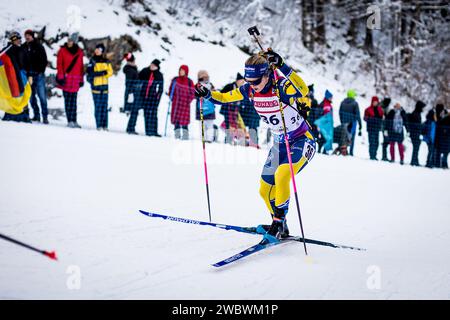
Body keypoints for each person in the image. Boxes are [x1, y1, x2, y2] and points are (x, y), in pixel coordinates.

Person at [196, 49, 314, 244]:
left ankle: (277, 222)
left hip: (302, 139)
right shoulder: (249, 89)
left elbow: (303, 90)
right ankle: (280, 225)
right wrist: (207, 94)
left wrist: (282, 64)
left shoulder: (281, 86)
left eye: (256, 81)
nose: (253, 86)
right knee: (264, 188)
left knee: (282, 175)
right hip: (279, 143)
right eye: (248, 81)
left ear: (267, 75)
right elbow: (225, 97)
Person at [1, 31, 32, 123]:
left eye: (19, 39)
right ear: (12, 40)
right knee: (13, 94)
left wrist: (29, 75)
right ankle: (11, 114)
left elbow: (28, 62)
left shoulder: (22, 49)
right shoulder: (7, 50)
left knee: (25, 94)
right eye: (16, 39)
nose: (18, 41)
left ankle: (24, 115)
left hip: (22, 75)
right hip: (12, 76)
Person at [56, 32, 84, 128]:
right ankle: (69, 121)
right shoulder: (62, 51)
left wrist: (81, 79)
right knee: (67, 101)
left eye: (71, 40)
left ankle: (74, 120)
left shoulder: (79, 52)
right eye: (68, 40)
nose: (69, 42)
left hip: (75, 80)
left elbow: (81, 67)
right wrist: (60, 77)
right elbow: (59, 65)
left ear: (75, 41)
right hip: (66, 79)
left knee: (74, 101)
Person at [23, 29, 48, 124]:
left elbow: (44, 60)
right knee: (31, 96)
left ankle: (45, 116)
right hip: (28, 75)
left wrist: (40, 71)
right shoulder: (24, 47)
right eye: (26, 36)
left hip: (39, 75)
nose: (27, 37)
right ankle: (36, 115)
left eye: (29, 35)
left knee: (42, 96)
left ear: (32, 36)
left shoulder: (39, 46)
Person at [86, 43, 113, 130]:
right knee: (98, 106)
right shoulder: (92, 60)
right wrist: (101, 73)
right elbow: (90, 73)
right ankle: (99, 125)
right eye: (96, 49)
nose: (97, 51)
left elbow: (110, 72)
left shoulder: (106, 61)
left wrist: (103, 73)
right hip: (96, 86)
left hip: (104, 86)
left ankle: (105, 125)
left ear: (102, 51)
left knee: (104, 106)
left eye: (99, 50)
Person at [135, 59, 164, 136]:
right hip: (144, 96)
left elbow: (161, 88)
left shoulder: (159, 75)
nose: (152, 66)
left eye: (154, 65)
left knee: (154, 115)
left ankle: (154, 131)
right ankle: (148, 131)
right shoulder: (145, 71)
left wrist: (158, 99)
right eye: (151, 64)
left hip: (154, 98)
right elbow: (138, 78)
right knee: (146, 113)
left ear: (157, 67)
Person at [169, 65, 195, 140]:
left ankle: (185, 136)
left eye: (183, 70)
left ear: (186, 71)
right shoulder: (175, 79)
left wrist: (188, 100)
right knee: (176, 119)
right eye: (180, 70)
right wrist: (172, 98)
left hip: (185, 104)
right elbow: (171, 89)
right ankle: (177, 135)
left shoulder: (190, 81)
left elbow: (192, 93)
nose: (181, 72)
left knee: (184, 121)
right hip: (176, 103)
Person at [220, 73, 247, 144]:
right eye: (242, 81)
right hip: (227, 109)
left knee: (235, 123)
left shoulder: (241, 89)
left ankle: (233, 138)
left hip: (235, 109)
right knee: (228, 123)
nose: (243, 83)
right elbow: (221, 94)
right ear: (237, 81)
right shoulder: (229, 86)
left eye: (243, 82)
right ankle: (228, 139)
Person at [195, 70, 216, 143]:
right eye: (203, 77)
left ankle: (209, 138)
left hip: (208, 108)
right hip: (203, 108)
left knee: (209, 125)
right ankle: (204, 138)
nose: (205, 79)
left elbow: (214, 93)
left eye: (206, 77)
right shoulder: (198, 85)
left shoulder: (210, 85)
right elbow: (195, 94)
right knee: (203, 125)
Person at [339, 89, 362, 156]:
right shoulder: (355, 103)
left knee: (344, 137)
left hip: (344, 122)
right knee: (352, 137)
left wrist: (342, 121)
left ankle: (344, 151)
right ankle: (351, 152)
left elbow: (340, 113)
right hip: (352, 123)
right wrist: (360, 125)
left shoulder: (342, 103)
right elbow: (358, 114)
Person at [315, 89, 334, 154]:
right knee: (323, 137)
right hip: (323, 123)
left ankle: (325, 150)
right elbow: (318, 113)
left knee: (327, 138)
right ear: (327, 97)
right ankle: (320, 149)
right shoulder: (322, 104)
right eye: (331, 97)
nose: (332, 98)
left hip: (328, 124)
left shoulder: (329, 105)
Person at [407, 100, 425, 166]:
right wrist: (420, 127)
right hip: (415, 133)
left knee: (416, 148)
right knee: (416, 148)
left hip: (416, 133)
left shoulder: (417, 113)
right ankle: (414, 161)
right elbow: (415, 124)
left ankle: (415, 161)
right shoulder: (415, 113)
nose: (423, 109)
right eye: (422, 107)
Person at [434, 104, 449, 169]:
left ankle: (442, 163)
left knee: (444, 151)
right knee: (440, 151)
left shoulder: (444, 115)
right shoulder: (439, 115)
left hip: (443, 137)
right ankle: (440, 163)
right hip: (440, 137)